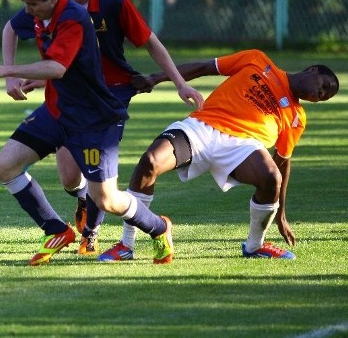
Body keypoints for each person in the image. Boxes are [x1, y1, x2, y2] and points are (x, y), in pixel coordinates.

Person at [1, 0, 203, 256]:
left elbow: (147, 42)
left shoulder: (105, 4)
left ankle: (151, 227)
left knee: (106, 198)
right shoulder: (44, 8)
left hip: (102, 106)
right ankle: (59, 230)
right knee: (24, 169)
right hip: (61, 105)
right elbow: (19, 34)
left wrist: (178, 82)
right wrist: (19, 77)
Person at [99, 49, 339, 261]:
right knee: (149, 162)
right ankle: (127, 244)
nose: (320, 94)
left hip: (243, 146)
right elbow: (204, 66)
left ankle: (254, 246)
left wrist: (280, 213)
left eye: (324, 97)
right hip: (203, 128)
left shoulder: (297, 117)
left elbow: (283, 162)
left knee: (271, 177)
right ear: (313, 69)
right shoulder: (257, 60)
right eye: (324, 86)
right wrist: (156, 78)